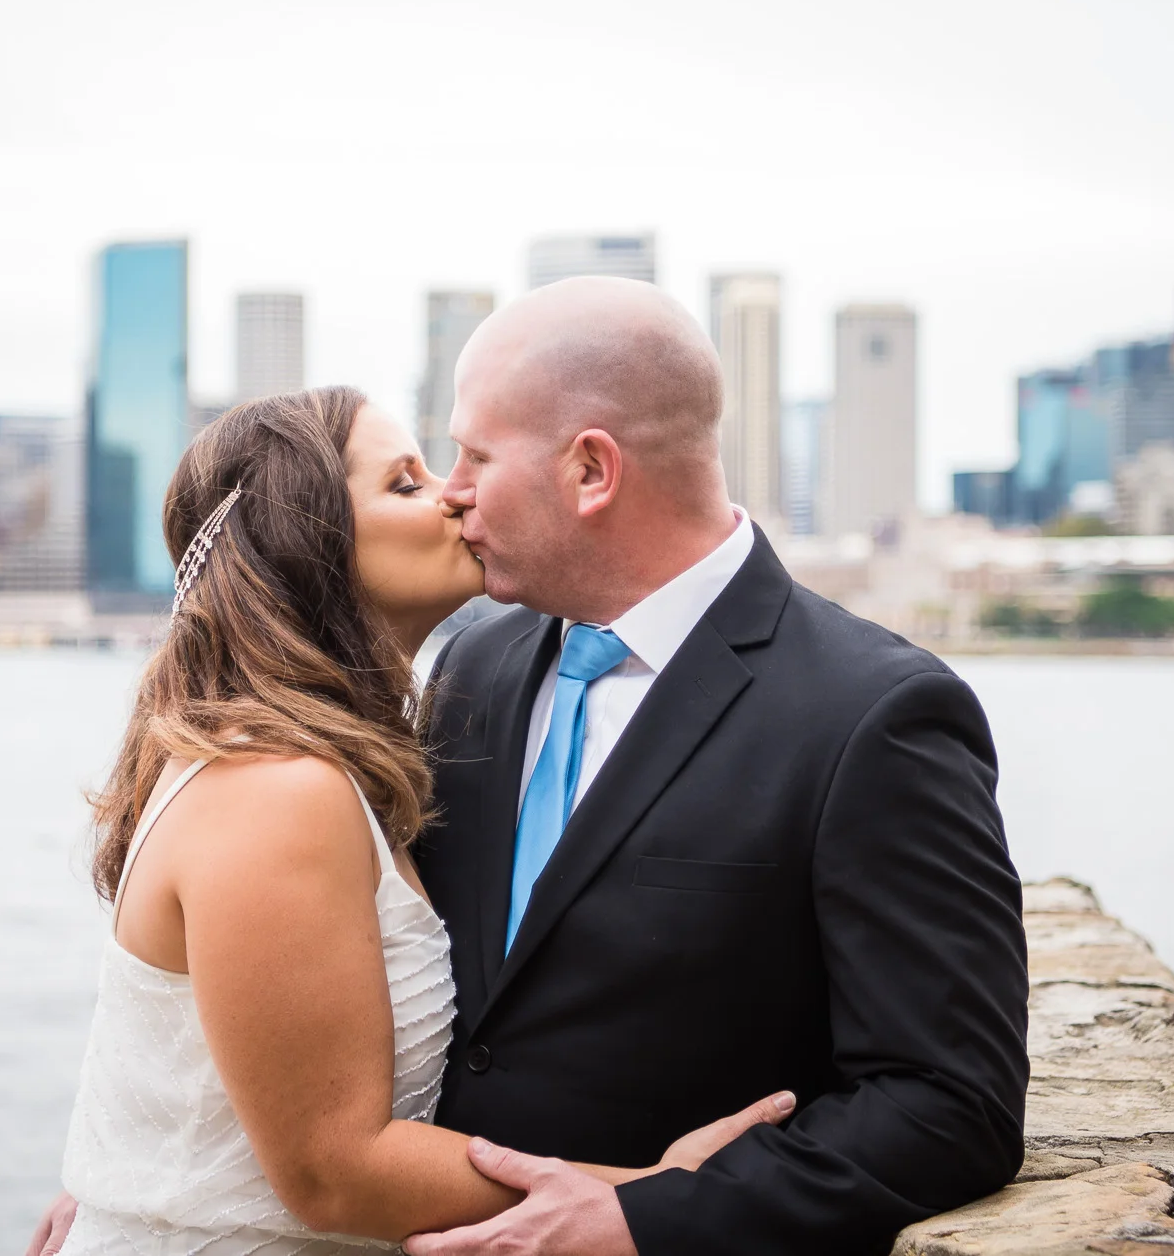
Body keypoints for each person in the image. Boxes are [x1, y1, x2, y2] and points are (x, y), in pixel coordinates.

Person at [28, 386, 792, 1256]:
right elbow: (332, 1171)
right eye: (405, 482)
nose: (454, 495)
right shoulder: (279, 786)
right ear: (305, 542)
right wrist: (661, 1193)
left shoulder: (343, 756)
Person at [402, 276, 1030, 1256]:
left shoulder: (875, 716)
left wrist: (640, 1218)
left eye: (475, 455)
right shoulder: (472, 666)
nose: (451, 489)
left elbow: (951, 1103)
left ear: (590, 470)